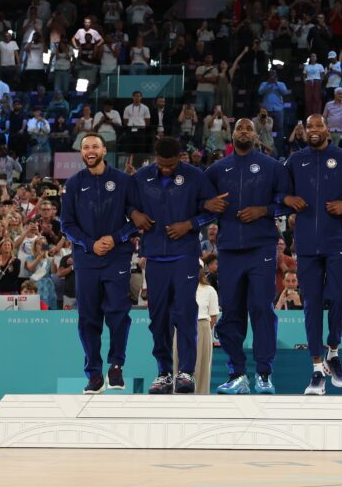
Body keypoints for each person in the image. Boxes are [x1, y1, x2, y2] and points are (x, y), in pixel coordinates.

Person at [130, 137, 227, 394]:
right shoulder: (142, 177)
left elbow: (213, 209)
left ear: (181, 157)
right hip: (154, 257)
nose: (166, 169)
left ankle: (185, 372)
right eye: (161, 164)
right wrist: (134, 214)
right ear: (155, 158)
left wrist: (189, 225)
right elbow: (127, 204)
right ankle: (163, 373)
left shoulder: (195, 176)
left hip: (184, 256)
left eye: (171, 164)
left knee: (185, 314)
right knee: (158, 318)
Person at [207, 118, 291, 395]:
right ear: (232, 135)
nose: (244, 132)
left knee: (261, 309)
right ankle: (238, 374)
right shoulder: (217, 169)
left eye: (248, 129)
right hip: (230, 250)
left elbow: (287, 201)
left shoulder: (273, 167)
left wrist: (263, 211)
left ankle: (264, 374)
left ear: (256, 135)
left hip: (262, 248)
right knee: (231, 312)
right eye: (239, 128)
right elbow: (203, 202)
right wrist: (210, 206)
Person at [283, 113, 342, 395]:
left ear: (328, 129)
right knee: (312, 305)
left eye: (319, 125)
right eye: (309, 126)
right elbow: (280, 194)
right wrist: (287, 200)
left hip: (338, 240)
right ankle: (317, 369)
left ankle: (333, 349)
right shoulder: (295, 161)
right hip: (306, 243)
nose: (314, 129)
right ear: (304, 130)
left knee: (341, 297)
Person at [60, 132, 139, 394]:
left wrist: (115, 238)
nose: (90, 151)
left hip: (117, 256)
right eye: (85, 147)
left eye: (95, 146)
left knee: (118, 314)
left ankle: (116, 365)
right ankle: (94, 374)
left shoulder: (123, 181)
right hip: (86, 259)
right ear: (81, 153)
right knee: (88, 319)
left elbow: (136, 220)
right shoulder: (73, 184)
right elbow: (66, 225)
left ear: (104, 150)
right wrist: (89, 243)